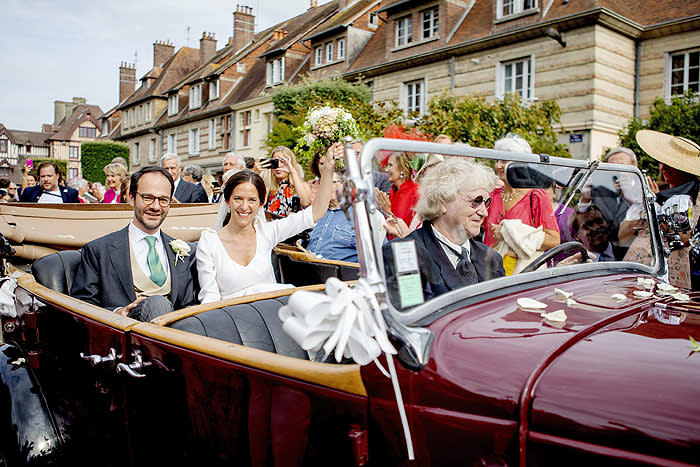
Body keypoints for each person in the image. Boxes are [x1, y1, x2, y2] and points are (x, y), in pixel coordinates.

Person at [196, 143, 339, 303]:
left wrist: (327, 169)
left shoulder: (267, 232)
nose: (244, 207)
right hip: (231, 320)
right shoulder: (209, 241)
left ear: (260, 203)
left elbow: (316, 211)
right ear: (228, 201)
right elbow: (210, 299)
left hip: (271, 315)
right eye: (238, 199)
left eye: (252, 200)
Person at [71, 166, 199, 321]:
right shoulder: (98, 250)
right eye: (147, 198)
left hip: (178, 334)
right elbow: (81, 306)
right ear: (131, 198)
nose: (155, 206)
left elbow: (188, 305)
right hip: (124, 335)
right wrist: (117, 313)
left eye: (163, 200)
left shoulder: (183, 250)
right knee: (157, 303)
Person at [383, 158, 505, 306]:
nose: (484, 212)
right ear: (442, 202)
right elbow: (412, 321)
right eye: (476, 201)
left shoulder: (491, 258)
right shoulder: (404, 256)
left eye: (486, 202)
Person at [624, 130, 700, 289]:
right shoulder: (659, 190)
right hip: (639, 266)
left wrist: (657, 204)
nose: (664, 167)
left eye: (672, 164)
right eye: (663, 162)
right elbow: (624, 232)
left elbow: (683, 237)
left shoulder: (695, 197)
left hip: (669, 273)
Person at [483, 134, 559, 274]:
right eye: (497, 160)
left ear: (520, 163)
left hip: (522, 273)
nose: (498, 166)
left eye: (504, 161)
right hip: (489, 272)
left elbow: (554, 240)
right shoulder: (491, 195)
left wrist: (508, 232)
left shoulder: (536, 196)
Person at [306, 170, 358, 263]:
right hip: (307, 266)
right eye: (322, 184)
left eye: (329, 183)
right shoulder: (316, 212)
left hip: (340, 273)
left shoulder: (358, 216)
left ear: (343, 185)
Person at [261, 146, 311, 217]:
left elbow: (305, 202)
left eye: (283, 161)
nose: (279, 166)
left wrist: (292, 171)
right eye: (275, 162)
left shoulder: (303, 186)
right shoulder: (268, 190)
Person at [379, 152, 420, 227]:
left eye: (390, 165)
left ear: (402, 167)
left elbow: (405, 232)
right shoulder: (392, 191)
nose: (386, 170)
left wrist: (387, 212)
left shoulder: (416, 193)